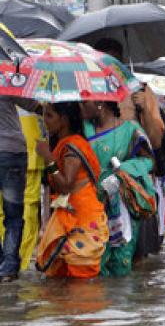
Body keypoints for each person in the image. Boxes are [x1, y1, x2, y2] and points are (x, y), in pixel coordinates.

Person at [81, 100, 157, 277]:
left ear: (101, 104)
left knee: (121, 262)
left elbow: (149, 162)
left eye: (85, 102)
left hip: (121, 206)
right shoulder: (81, 129)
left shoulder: (131, 130)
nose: (81, 106)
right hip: (89, 205)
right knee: (90, 262)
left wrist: (121, 171)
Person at [35, 102, 109, 278]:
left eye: (50, 116)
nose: (45, 120)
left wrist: (48, 158)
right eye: (44, 115)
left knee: (80, 287)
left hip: (82, 220)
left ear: (64, 120)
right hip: (71, 218)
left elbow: (66, 185)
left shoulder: (72, 146)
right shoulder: (64, 144)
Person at [0, 95, 41, 282]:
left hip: (13, 151)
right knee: (14, 216)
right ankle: (8, 267)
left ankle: (5, 261)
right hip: (13, 151)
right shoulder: (5, 80)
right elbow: (35, 106)